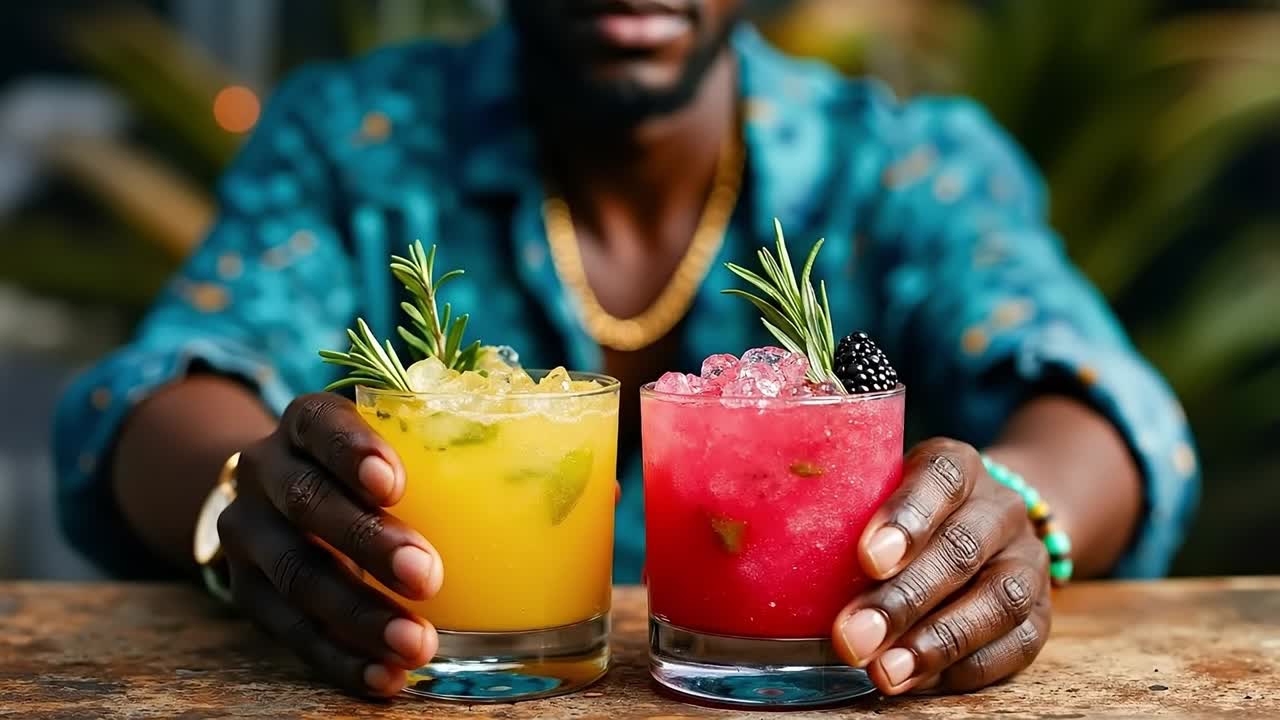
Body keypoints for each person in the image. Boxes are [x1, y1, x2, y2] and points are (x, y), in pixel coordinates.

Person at [54, 0, 1197, 700]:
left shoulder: (901, 162)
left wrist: (1013, 511)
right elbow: (165, 379)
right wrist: (243, 499)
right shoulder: (352, 142)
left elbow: (1096, 397)